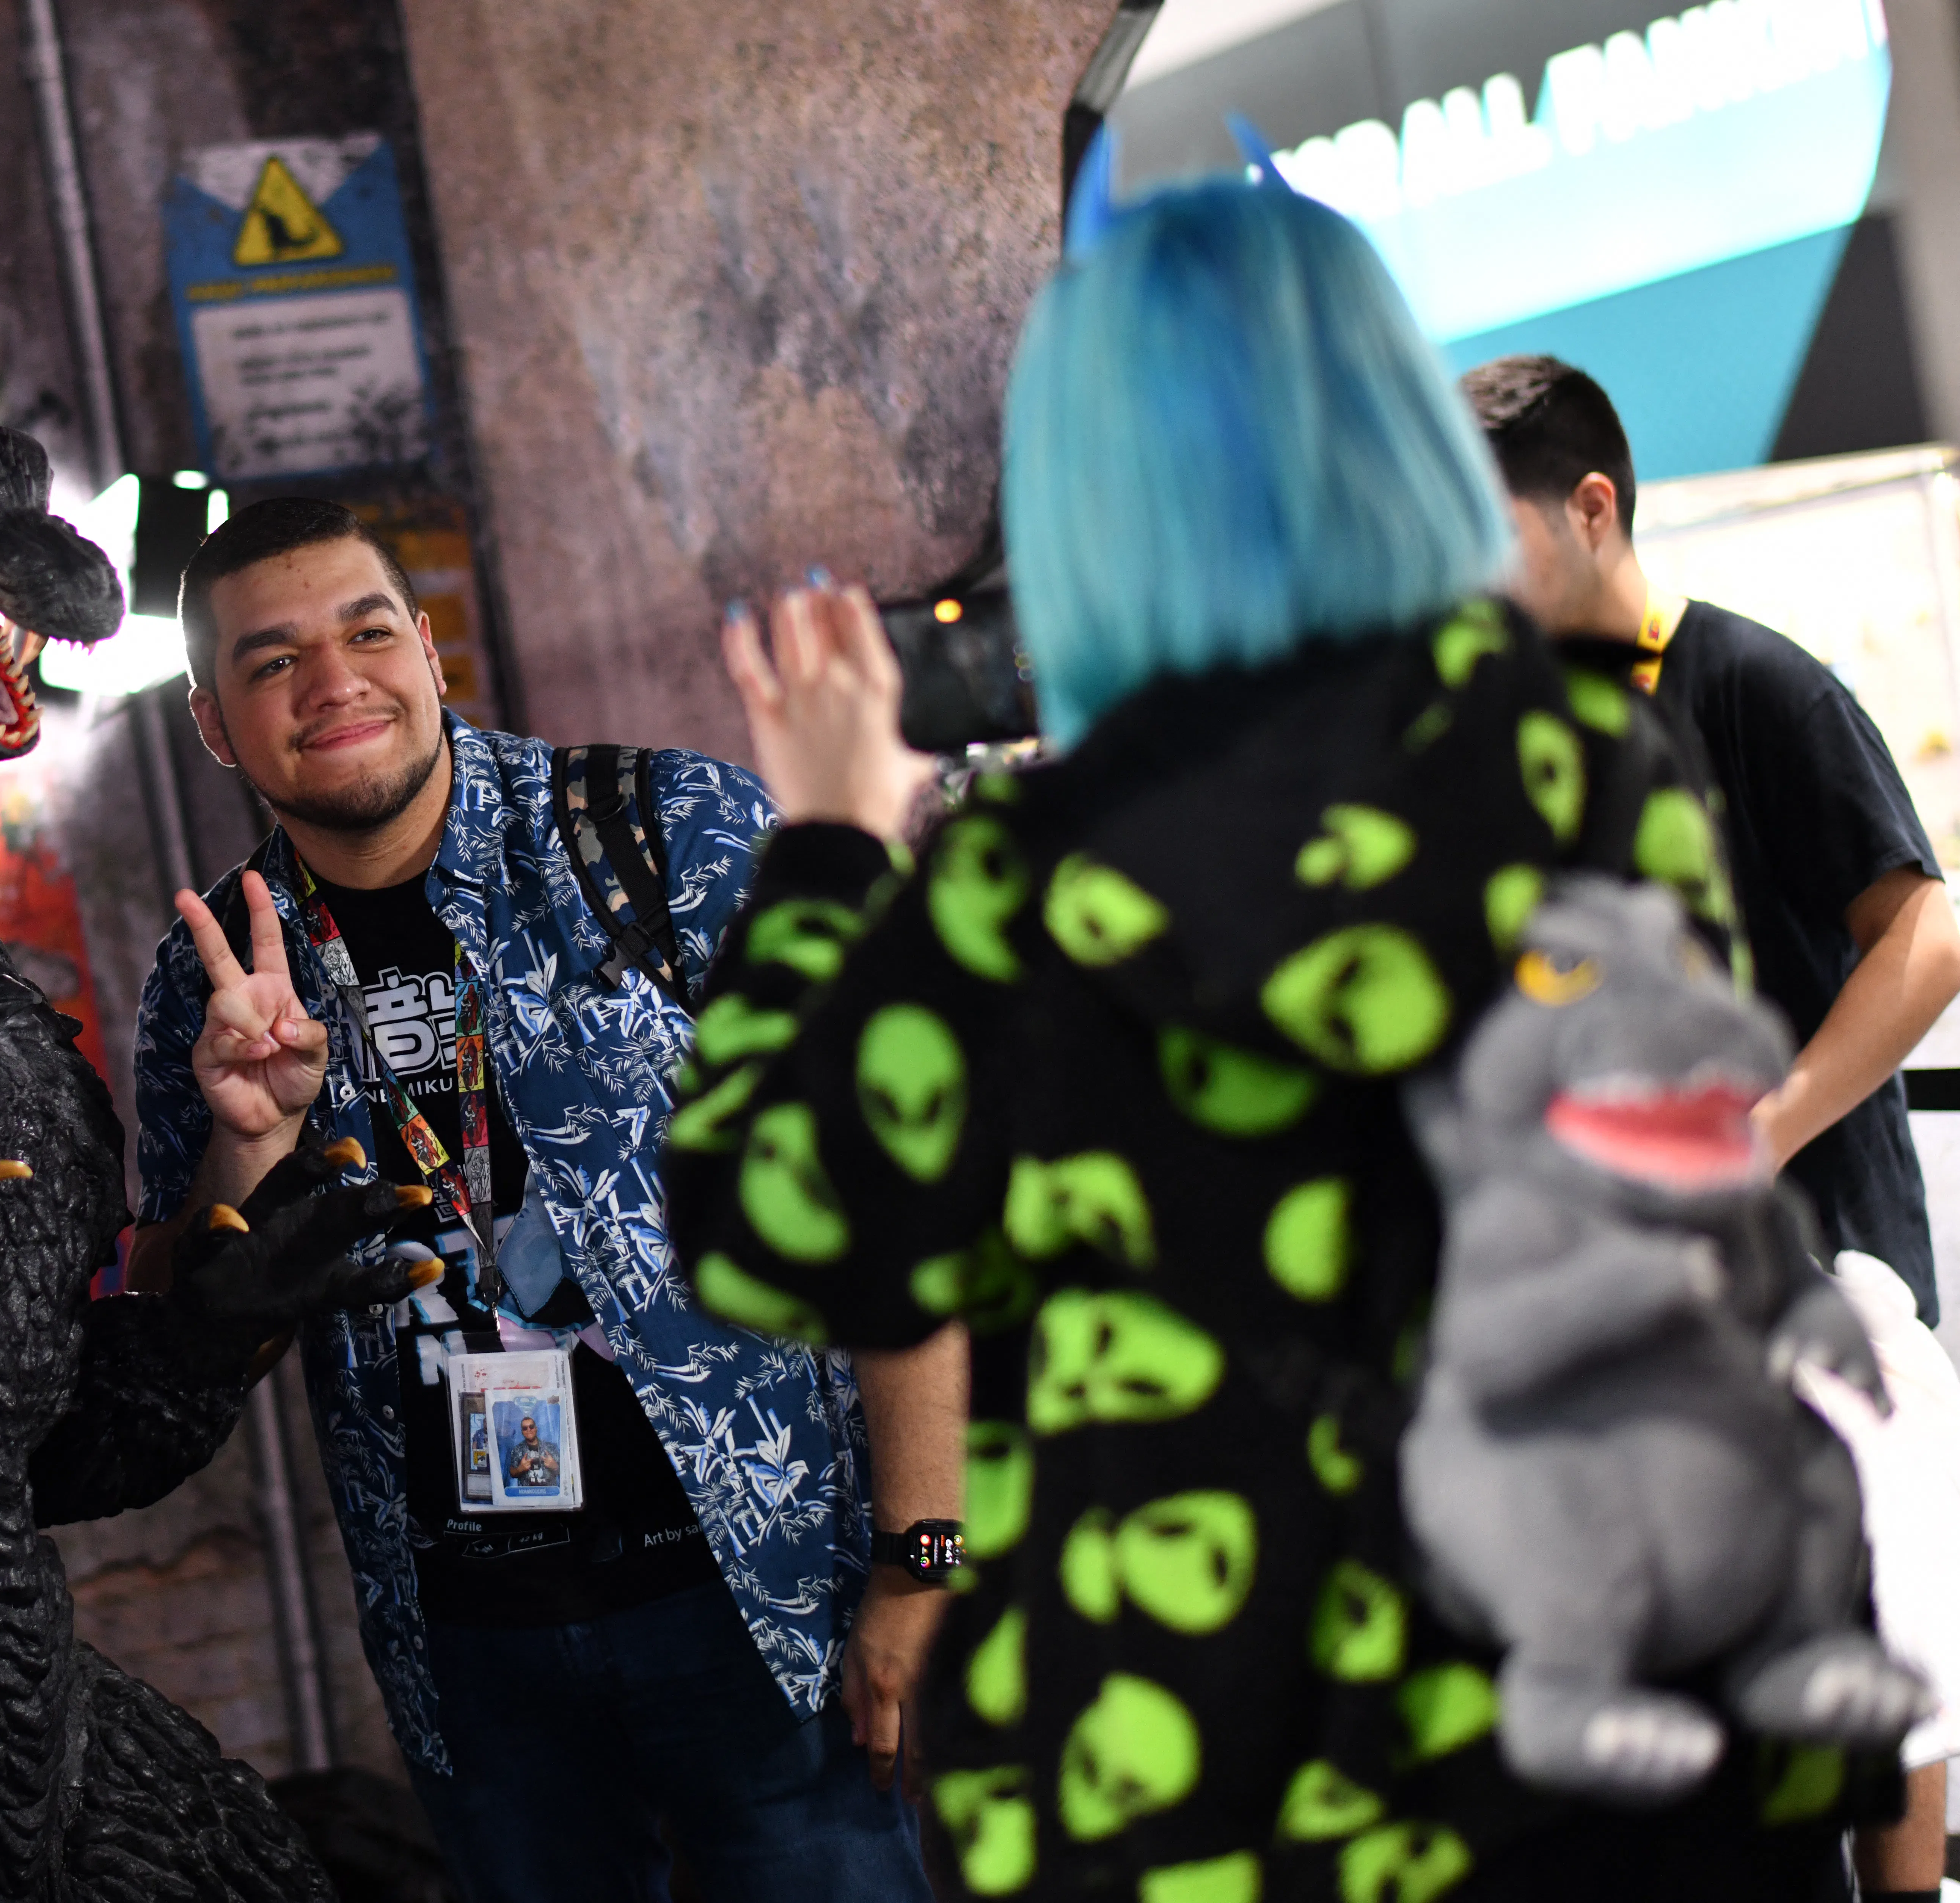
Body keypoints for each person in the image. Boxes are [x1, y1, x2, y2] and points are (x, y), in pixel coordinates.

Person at [663, 176, 1894, 1898]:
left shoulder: (1032, 878)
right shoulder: (1588, 770)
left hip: (1216, 1751)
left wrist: (827, 848)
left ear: (1092, 495)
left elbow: (776, 1228)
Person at [131, 497, 950, 1903]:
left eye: (366, 633)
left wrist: (921, 1553)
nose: (333, 684)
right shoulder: (213, 981)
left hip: (760, 1596)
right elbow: (176, 1323)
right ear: (214, 722)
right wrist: (246, 1144)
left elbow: (894, 1183)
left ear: (426, 647)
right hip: (475, 1656)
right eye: (271, 662)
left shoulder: (664, 831)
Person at [1462, 353, 1960, 1903]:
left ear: (1589, 507)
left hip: (1823, 1270)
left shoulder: (1752, 684)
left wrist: (1776, 1124)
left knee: (1882, 1631)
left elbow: (1928, 932)